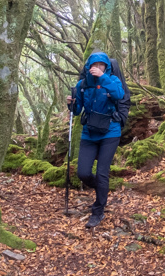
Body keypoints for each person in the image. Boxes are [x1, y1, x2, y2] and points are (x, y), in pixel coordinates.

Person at [67, 51, 125, 228]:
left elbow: (119, 95)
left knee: (102, 173)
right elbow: (77, 111)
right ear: (88, 66)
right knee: (83, 173)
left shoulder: (112, 80)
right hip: (89, 133)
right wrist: (71, 104)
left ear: (106, 67)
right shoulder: (82, 84)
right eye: (94, 65)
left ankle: (98, 210)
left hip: (110, 132)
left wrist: (103, 78)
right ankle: (101, 188)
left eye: (101, 65)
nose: (97, 68)